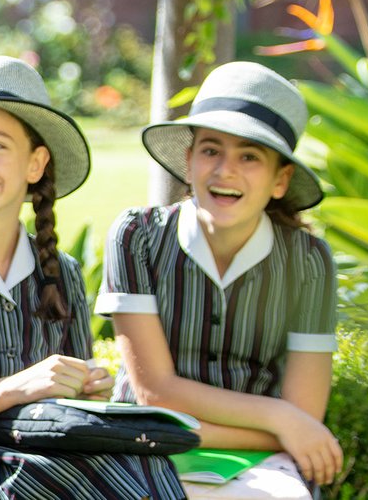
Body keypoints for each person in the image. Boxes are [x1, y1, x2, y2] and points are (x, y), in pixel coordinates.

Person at [0, 55, 186, 499]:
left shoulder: (62, 273)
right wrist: (14, 389)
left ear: (35, 165)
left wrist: (88, 387)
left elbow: (68, 413)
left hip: (47, 458)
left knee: (149, 471)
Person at [96, 61, 341, 499]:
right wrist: (284, 423)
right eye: (211, 150)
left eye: (249, 156)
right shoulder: (138, 237)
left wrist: (294, 424)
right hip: (145, 451)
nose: (225, 170)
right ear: (189, 162)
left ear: (280, 179)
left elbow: (307, 410)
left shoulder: (308, 262)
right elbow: (155, 392)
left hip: (259, 463)